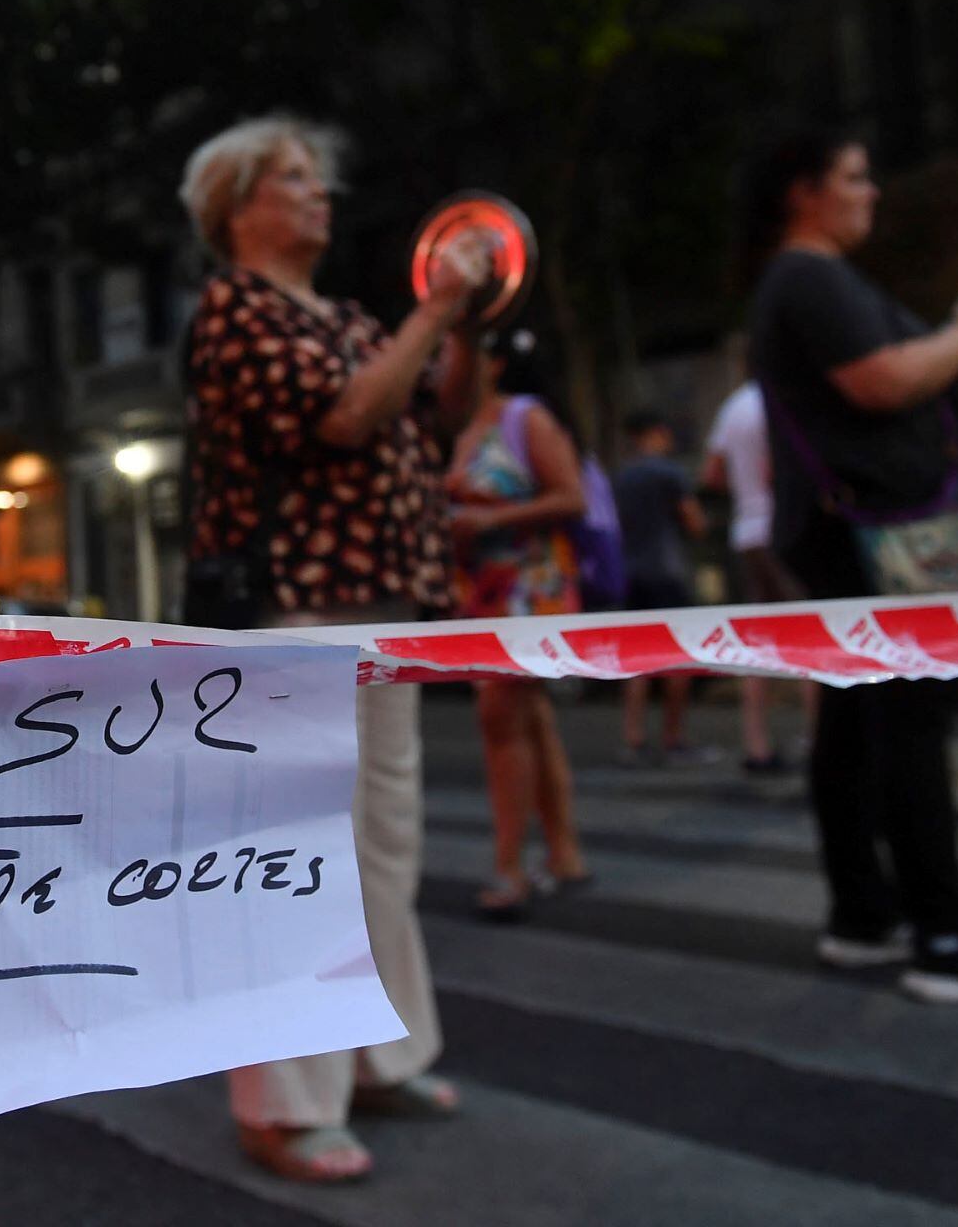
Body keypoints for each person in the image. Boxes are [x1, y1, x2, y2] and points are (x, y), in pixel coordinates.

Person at [179, 115, 488, 1185]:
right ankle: (280, 1101)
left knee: (383, 848)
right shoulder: (235, 310)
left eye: (320, 178)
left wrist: (471, 323)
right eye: (294, 179)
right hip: (292, 609)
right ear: (237, 206)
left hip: (381, 602)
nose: (319, 195)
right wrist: (438, 307)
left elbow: (435, 415)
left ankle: (375, 1056)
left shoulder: (353, 314)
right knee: (295, 858)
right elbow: (348, 418)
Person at [743, 129, 958, 1004]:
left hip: (847, 529)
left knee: (854, 727)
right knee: (907, 727)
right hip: (868, 534)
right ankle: (946, 937)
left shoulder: (810, 280)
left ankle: (865, 915)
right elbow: (882, 382)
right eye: (853, 176)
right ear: (803, 192)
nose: (871, 191)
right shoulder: (808, 277)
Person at [444, 328, 593, 920]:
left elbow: (572, 498)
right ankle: (564, 854)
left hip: (532, 591)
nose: (441, 363)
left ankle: (510, 867)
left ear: (493, 362)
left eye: (454, 351)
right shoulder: (462, 428)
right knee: (527, 720)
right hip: (484, 594)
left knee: (500, 720)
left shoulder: (524, 418)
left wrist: (488, 518)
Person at [702, 379, 816, 773]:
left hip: (747, 532)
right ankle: (821, 737)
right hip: (783, 529)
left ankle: (756, 743)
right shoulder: (783, 400)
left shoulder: (733, 405)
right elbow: (775, 468)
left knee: (759, 636)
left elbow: (711, 474)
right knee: (811, 636)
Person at [613, 409, 711, 765]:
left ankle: (633, 736)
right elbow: (695, 522)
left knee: (636, 657)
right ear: (657, 432)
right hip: (667, 569)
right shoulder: (670, 473)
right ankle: (673, 736)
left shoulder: (622, 476)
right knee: (676, 655)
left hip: (632, 569)